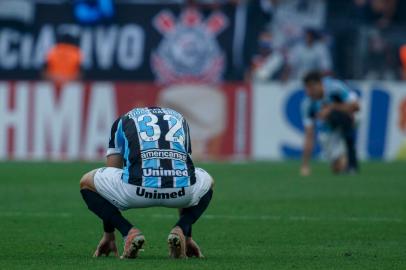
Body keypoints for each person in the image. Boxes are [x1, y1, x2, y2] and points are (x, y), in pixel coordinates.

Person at [79, 107, 214, 259]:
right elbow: (184, 169)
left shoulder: (123, 120)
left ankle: (128, 232)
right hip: (182, 193)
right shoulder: (180, 119)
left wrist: (109, 234)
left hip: (135, 192)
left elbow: (112, 171)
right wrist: (188, 235)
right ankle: (181, 229)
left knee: (86, 182)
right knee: (207, 181)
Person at [300, 71, 360, 176]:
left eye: (311, 88)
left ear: (320, 84)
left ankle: (350, 155)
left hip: (351, 116)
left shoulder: (335, 88)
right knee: (337, 169)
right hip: (329, 127)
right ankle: (343, 157)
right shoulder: (307, 105)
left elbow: (356, 107)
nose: (309, 92)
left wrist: (332, 107)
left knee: (335, 115)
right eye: (307, 88)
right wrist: (305, 165)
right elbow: (309, 135)